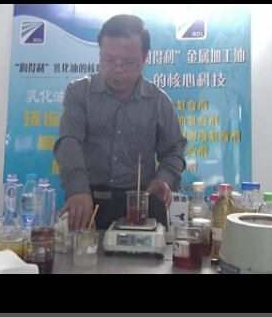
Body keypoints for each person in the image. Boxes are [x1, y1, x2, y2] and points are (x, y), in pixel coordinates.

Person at [54, 14, 187, 231]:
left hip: (142, 204)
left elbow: (174, 150)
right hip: (89, 201)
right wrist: (77, 189)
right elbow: (69, 140)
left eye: (128, 62)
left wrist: (163, 179)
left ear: (144, 57)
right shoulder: (79, 93)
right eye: (109, 60)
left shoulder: (159, 101)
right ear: (100, 53)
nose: (118, 68)